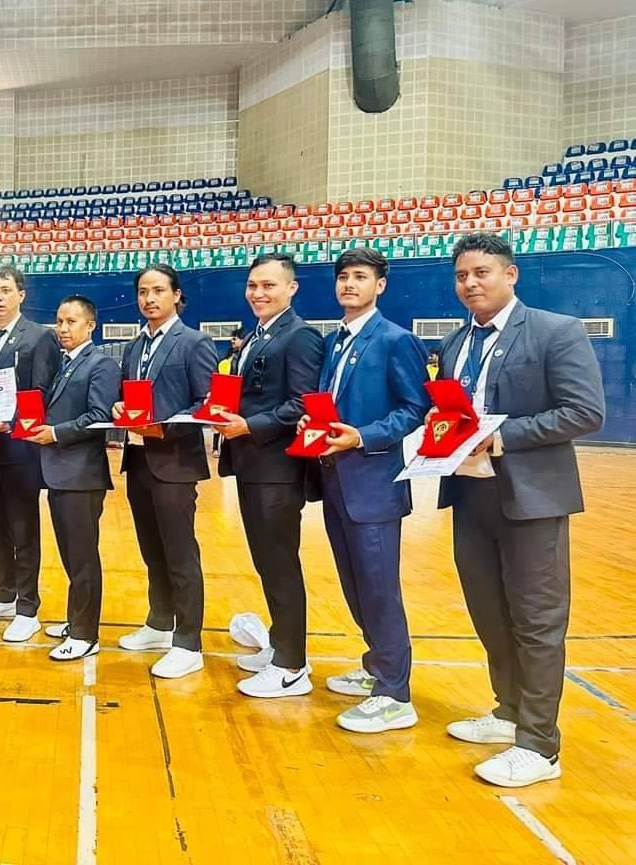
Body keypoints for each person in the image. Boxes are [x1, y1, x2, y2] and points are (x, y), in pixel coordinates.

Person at [438, 233, 604, 787]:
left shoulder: (557, 331)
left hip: (532, 499)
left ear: (510, 275)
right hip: (471, 494)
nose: (470, 284)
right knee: (488, 610)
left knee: (536, 620)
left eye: (481, 272)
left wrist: (501, 436)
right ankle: (508, 709)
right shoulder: (457, 342)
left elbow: (584, 412)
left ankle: (539, 745)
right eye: (462, 275)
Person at [305, 248, 429, 734]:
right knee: (355, 584)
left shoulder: (397, 340)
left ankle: (395, 694)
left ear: (380, 285)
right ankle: (378, 664)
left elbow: (414, 409)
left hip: (373, 483)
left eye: (360, 276)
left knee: (379, 588)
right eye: (343, 276)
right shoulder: (334, 340)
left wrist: (363, 436)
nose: (349, 284)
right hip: (336, 480)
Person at [214, 254, 324, 698]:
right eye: (253, 285)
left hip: (278, 469)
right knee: (267, 562)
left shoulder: (300, 336)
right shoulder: (257, 335)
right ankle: (281, 645)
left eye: (269, 285)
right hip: (252, 465)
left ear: (291, 288)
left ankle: (292, 666)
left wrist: (249, 425)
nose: (259, 293)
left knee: (280, 564)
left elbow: (302, 403)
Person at [113, 265, 217, 679]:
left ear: (176, 295)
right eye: (143, 291)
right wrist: (119, 408)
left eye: (158, 290)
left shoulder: (194, 342)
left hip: (174, 462)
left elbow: (206, 402)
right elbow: (128, 397)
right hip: (138, 459)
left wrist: (165, 427)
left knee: (180, 553)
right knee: (152, 549)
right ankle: (159, 622)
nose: (149, 298)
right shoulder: (133, 347)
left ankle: (189, 643)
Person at [0, 265, 59, 643]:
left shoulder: (39, 337)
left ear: (21, 295)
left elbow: (44, 393)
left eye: (5, 290)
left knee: (23, 529)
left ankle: (27, 608)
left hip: (19, 448)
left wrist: (11, 421)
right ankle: (4, 595)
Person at [26, 294, 121, 662]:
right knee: (70, 554)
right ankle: (76, 619)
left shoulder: (101, 364)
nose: (63, 329)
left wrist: (55, 433)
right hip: (60, 473)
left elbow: (99, 416)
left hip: (82, 475)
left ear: (90, 325)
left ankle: (85, 635)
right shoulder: (65, 363)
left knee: (82, 557)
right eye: (60, 321)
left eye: (72, 322)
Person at [211, 328, 246, 456]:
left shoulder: (245, 356)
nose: (232, 340)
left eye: (236, 338)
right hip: (222, 392)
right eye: (232, 338)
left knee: (233, 424)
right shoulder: (227, 357)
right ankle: (215, 448)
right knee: (217, 422)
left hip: (237, 395)